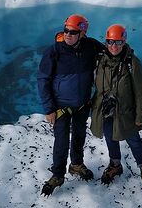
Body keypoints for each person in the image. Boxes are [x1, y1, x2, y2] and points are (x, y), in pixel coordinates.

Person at [37, 14, 104, 196]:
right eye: (66, 30)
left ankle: (76, 165)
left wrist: (126, 51)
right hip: (60, 107)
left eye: (73, 32)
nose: (68, 34)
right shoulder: (54, 51)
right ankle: (58, 174)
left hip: (82, 104)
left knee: (79, 136)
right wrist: (49, 109)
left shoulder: (91, 46)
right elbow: (43, 80)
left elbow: (111, 52)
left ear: (82, 33)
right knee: (61, 141)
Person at [91, 24, 142, 193]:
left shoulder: (132, 63)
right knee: (109, 135)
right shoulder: (100, 61)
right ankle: (115, 164)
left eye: (118, 43)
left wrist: (139, 117)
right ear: (106, 42)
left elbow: (141, 93)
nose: (114, 46)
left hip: (125, 111)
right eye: (111, 42)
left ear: (124, 42)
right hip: (105, 109)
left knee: (133, 139)